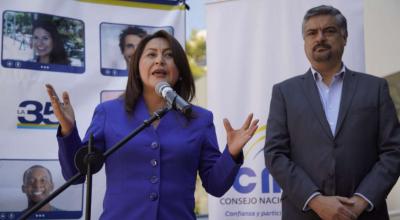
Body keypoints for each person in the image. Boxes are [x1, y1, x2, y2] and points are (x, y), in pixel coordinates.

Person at [46, 30, 259, 219]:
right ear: (137, 67)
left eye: (168, 55)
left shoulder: (200, 119)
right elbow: (76, 174)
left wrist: (231, 153)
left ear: (180, 70)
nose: (160, 61)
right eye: (151, 54)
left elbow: (216, 185)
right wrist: (68, 129)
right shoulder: (108, 113)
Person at [264, 5, 400, 220]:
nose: (320, 38)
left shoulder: (375, 88)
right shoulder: (284, 92)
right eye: (312, 33)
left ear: (344, 37)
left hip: (364, 214)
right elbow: (275, 154)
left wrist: (361, 200)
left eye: (329, 31)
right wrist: (315, 200)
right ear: (305, 42)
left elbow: (393, 151)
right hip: (305, 213)